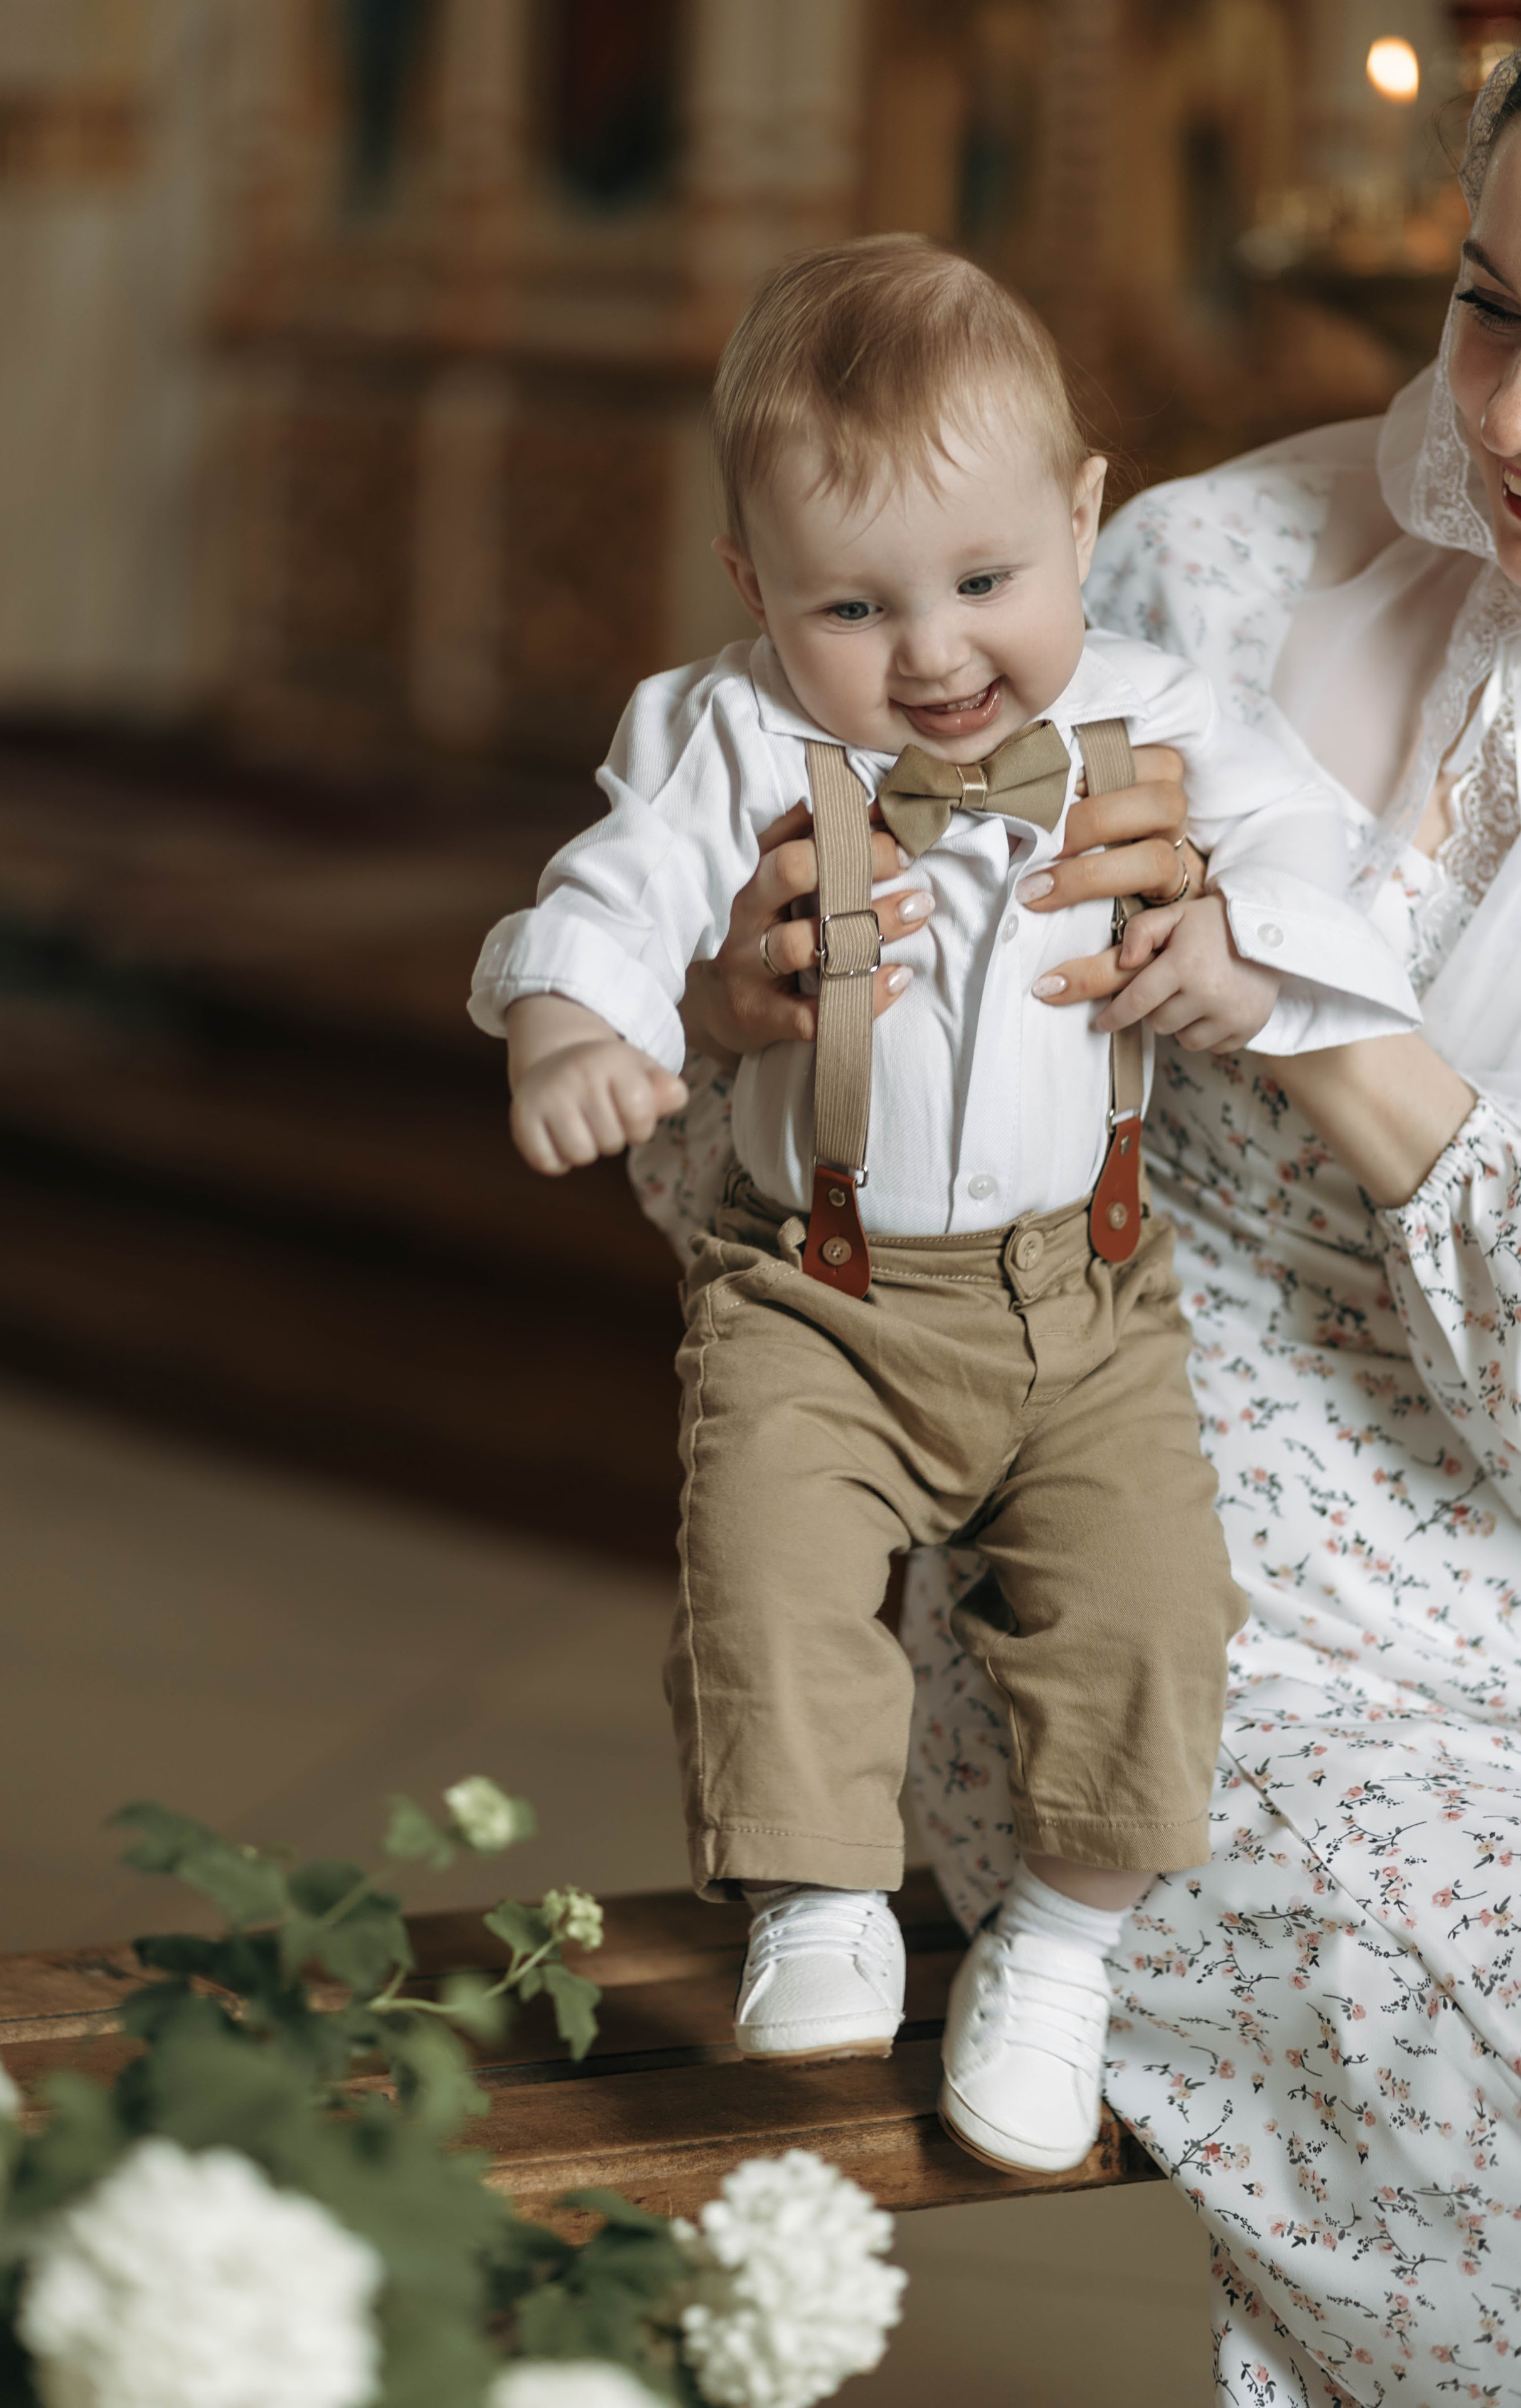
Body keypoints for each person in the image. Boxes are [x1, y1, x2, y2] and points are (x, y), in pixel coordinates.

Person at [632, 56, 1521, 2405]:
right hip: (1114, 1514)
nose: (1513, 420)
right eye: (1493, 305)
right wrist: (735, 1018)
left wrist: (1305, 1017)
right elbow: (756, 1191)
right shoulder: (1190, 583)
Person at [470, 236, 1415, 2179]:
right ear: (754, 587)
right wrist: (577, 1025)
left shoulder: (1162, 713)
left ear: (1081, 519)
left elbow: (1311, 846)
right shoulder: (729, 730)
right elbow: (614, 893)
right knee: (768, 1571)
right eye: (854, 603)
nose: (932, 654)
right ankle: (818, 1892)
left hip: (1091, 1297)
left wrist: (1238, 940)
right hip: (815, 1295)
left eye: (987, 583)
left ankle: (1062, 1945)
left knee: (1154, 1614)